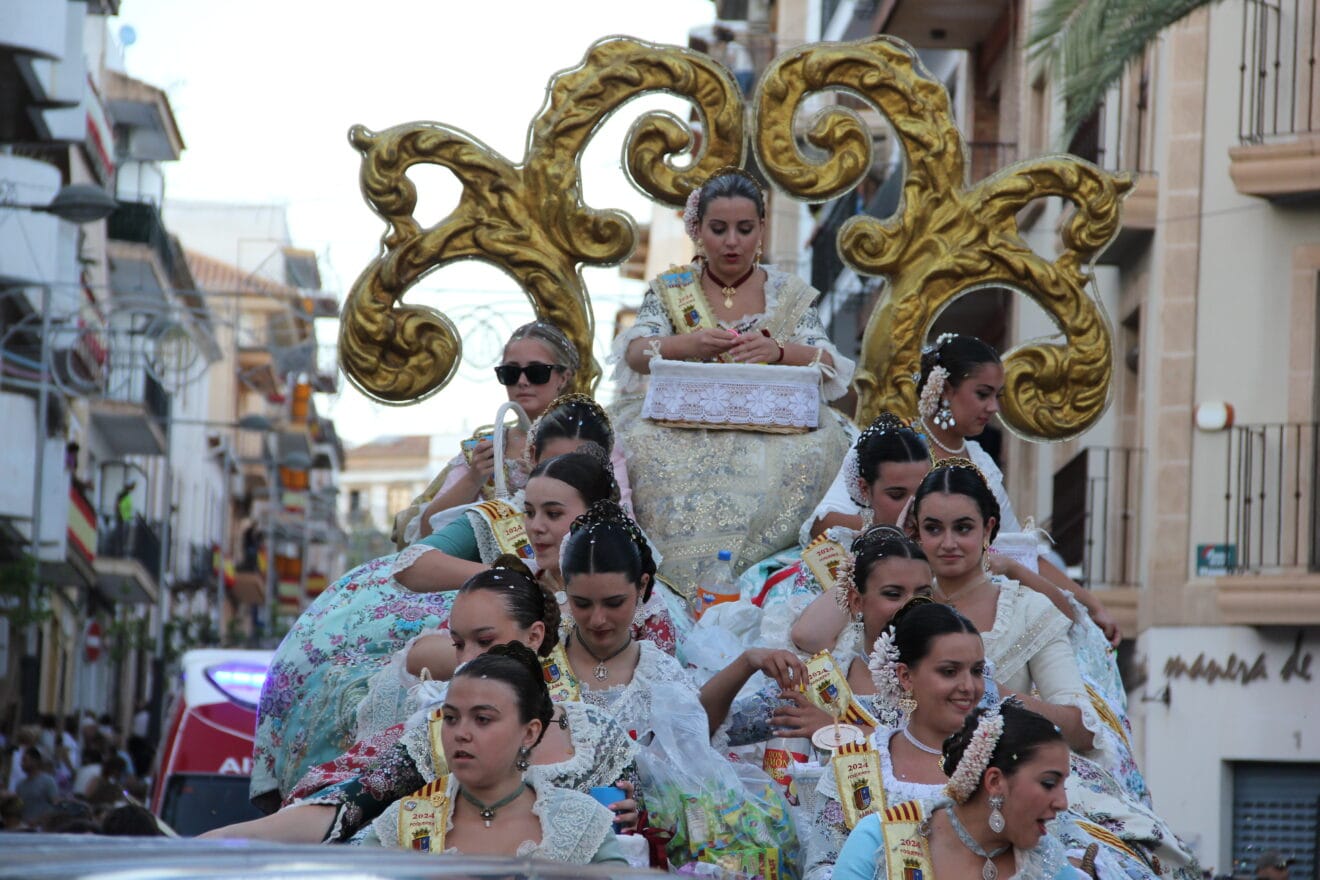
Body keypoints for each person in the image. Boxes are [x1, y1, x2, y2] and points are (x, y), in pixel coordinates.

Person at [251, 448, 622, 811]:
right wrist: (511, 580)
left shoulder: (638, 632)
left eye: (553, 513)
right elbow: (350, 804)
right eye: (530, 512)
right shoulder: (440, 732)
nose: (535, 527)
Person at [610, 167, 854, 602]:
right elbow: (633, 352)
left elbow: (830, 364)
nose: (731, 242)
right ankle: (667, 591)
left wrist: (778, 351)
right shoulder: (672, 291)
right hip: (678, 427)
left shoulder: (789, 292)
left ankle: (763, 586)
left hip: (776, 431)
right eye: (718, 229)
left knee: (826, 447)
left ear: (762, 228)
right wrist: (689, 344)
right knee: (635, 450)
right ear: (697, 230)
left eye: (744, 229)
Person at [211, 644, 628, 862]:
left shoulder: (579, 823)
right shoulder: (405, 822)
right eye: (451, 718)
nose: (461, 734)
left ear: (530, 731)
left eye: (483, 720)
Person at [804, 600, 987, 878]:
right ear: (905, 676)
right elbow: (823, 866)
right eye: (949, 671)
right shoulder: (858, 763)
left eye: (976, 671)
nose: (969, 687)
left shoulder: (1002, 759)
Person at [832, 700, 1089, 880]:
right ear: (995, 782)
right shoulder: (881, 840)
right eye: (1048, 783)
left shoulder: (1047, 863)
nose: (1062, 802)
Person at [395, 321, 579, 545]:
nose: (522, 382)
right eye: (510, 373)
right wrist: (474, 478)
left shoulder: (588, 441)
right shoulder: (487, 448)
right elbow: (428, 529)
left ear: (563, 377)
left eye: (536, 372)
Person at [15, 748, 57, 826]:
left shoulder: (48, 781)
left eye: (25, 760)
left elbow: (55, 805)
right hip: (25, 828)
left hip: (43, 828)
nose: (22, 763)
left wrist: (39, 821)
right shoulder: (20, 785)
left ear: (35, 761)